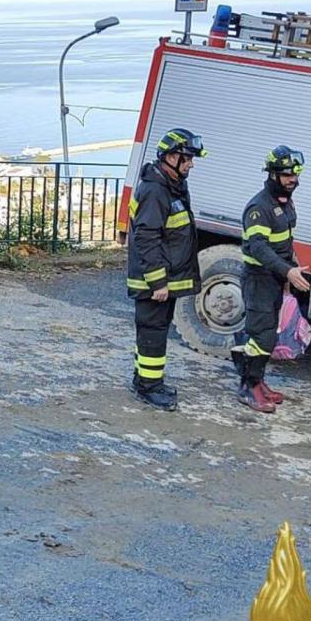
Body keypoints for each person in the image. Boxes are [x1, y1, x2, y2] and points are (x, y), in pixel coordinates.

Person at [124, 128, 205, 411]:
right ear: (171, 157)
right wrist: (158, 282)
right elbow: (147, 238)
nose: (191, 164)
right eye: (187, 158)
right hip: (154, 280)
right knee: (153, 331)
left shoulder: (168, 185)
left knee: (154, 330)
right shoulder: (156, 190)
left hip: (161, 278)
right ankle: (149, 387)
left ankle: (144, 379)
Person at [235, 146, 311, 413]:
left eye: (296, 174)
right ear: (272, 175)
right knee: (261, 335)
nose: (293, 180)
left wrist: (291, 268)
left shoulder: (285, 201)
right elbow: (258, 247)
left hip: (275, 278)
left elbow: (284, 242)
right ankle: (248, 387)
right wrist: (286, 270)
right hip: (258, 279)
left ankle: (258, 381)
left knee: (269, 334)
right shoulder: (259, 207)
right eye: (287, 175)